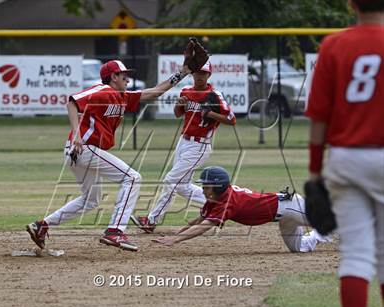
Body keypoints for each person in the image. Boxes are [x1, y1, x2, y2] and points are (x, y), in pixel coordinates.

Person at [26, 59, 192, 252]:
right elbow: (72, 103)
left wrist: (182, 73)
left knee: (91, 200)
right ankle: (115, 231)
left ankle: (42, 226)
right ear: (113, 77)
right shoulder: (103, 91)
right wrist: (77, 135)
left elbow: (154, 92)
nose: (127, 79)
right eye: (124, 76)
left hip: (81, 151)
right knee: (132, 178)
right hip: (84, 148)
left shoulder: (122, 97)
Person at [305, 0, 384, 307]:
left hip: (346, 158)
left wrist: (314, 171)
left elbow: (319, 118)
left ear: (352, 3)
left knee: (355, 255)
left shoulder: (334, 44)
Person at [131, 61, 236, 233]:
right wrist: (179, 104)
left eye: (203, 73)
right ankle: (221, 206)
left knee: (170, 181)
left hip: (200, 145)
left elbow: (232, 120)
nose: (200, 76)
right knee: (182, 186)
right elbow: (178, 114)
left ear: (209, 75)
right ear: (193, 73)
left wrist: (210, 113)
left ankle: (151, 220)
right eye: (197, 72)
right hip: (184, 141)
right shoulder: (187, 91)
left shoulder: (214, 95)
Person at [152, 166, 331, 253]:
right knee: (299, 248)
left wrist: (175, 241)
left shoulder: (227, 201)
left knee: (332, 221)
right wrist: (174, 237)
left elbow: (204, 227)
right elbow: (198, 221)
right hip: (282, 217)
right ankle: (321, 234)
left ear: (218, 187)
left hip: (289, 206)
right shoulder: (214, 199)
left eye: (206, 186)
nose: (203, 189)